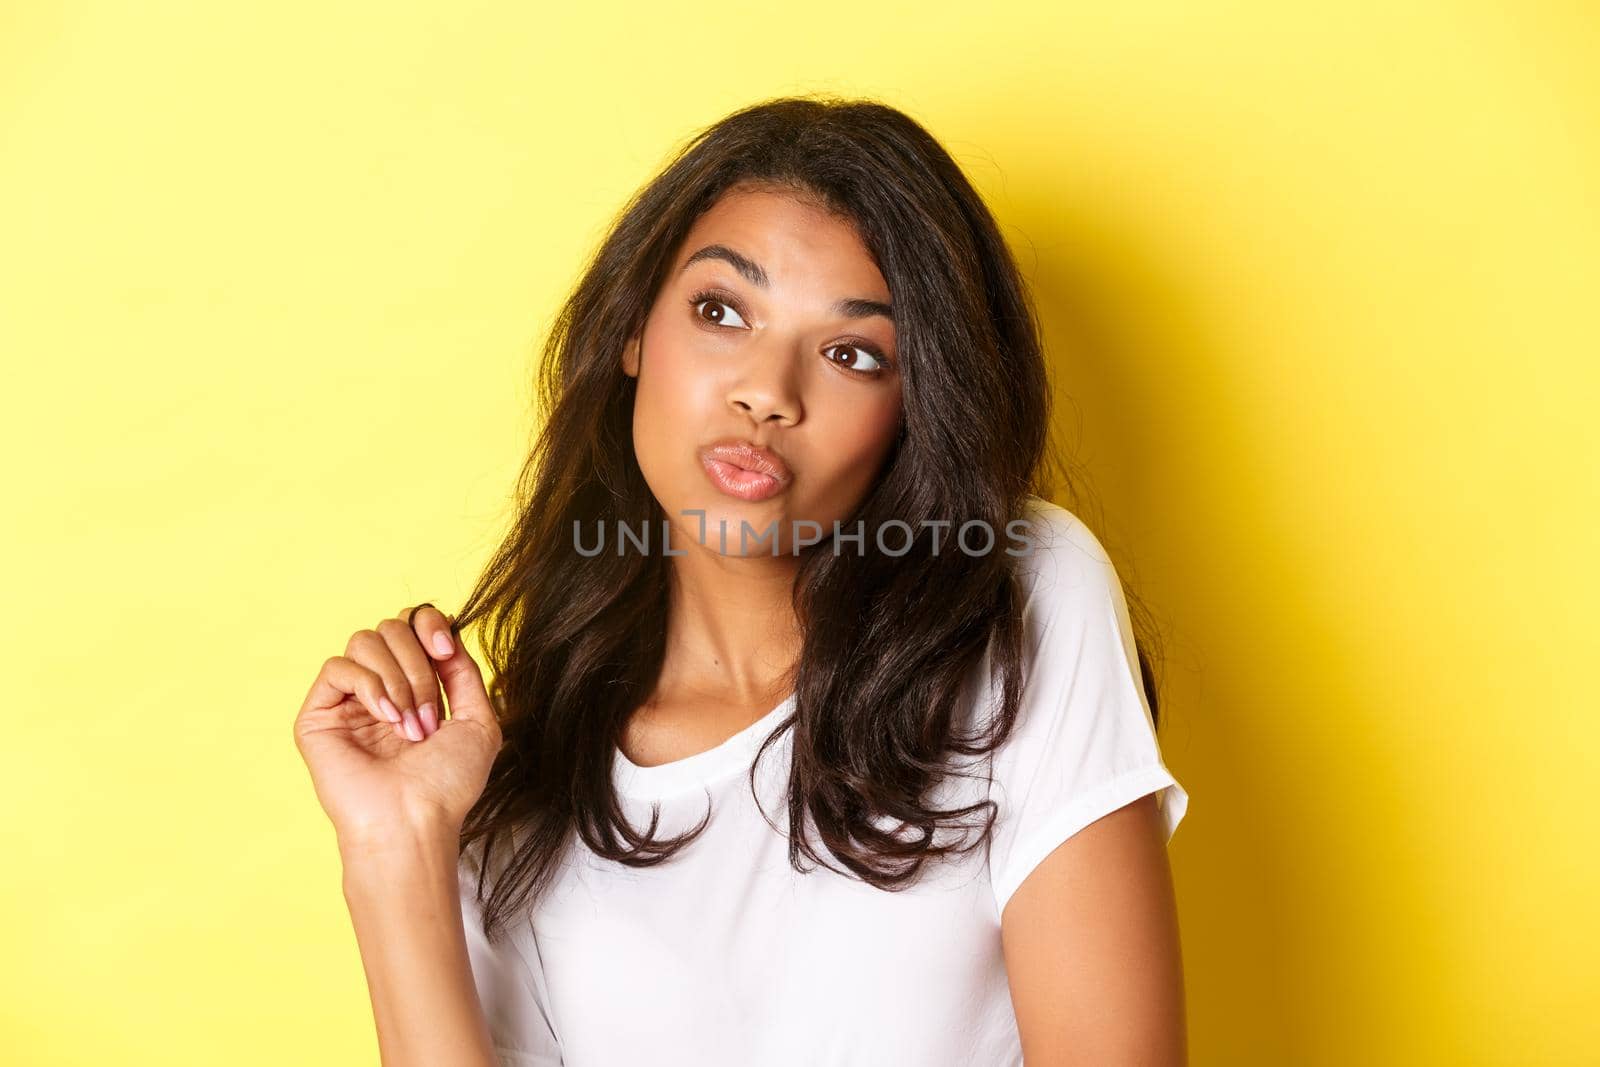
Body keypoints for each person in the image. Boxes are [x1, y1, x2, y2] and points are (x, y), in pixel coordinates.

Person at [294, 94, 1190, 1066]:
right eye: (722, 311)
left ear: (917, 406)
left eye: (851, 353)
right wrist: (395, 847)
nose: (767, 390)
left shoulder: (1016, 596)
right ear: (633, 331)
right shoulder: (514, 776)